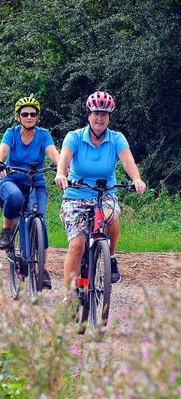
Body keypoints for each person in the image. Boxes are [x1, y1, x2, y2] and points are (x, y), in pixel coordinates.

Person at [54, 91, 146, 297]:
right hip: (76, 194)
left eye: (104, 114)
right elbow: (64, 158)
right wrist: (61, 174)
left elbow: (127, 160)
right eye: (96, 113)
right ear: (88, 115)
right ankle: (69, 295)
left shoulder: (116, 138)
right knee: (77, 246)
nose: (99, 118)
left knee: (111, 216)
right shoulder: (75, 136)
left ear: (109, 118)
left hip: (106, 192)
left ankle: (110, 256)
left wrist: (136, 179)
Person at [0, 96, 60, 289]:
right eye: (25, 114)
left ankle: (42, 269)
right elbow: (2, 150)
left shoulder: (43, 134)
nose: (29, 117)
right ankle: (6, 229)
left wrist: (62, 167)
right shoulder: (11, 133)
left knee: (40, 220)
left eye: (33, 114)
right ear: (18, 116)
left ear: (37, 117)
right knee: (15, 198)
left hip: (35, 182)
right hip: (11, 179)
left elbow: (53, 153)